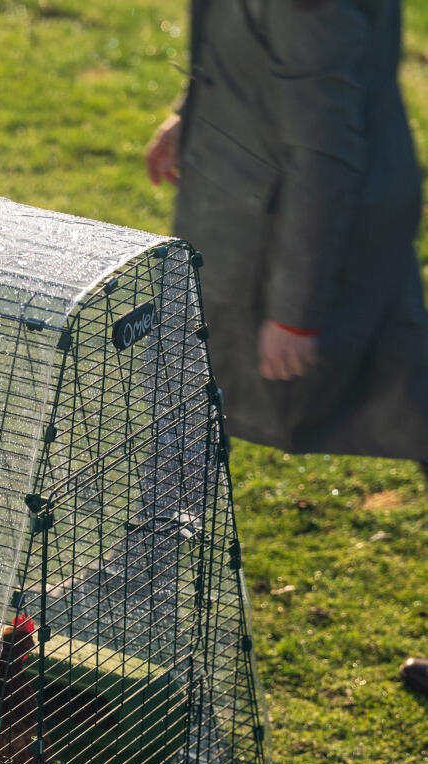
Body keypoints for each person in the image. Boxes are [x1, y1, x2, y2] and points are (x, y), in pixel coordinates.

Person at [146, 0, 428, 695]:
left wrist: (296, 313)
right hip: (256, 206)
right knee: (182, 380)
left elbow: (324, 150)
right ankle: (140, 571)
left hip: (317, 235)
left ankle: (138, 572)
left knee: (415, 409)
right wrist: (198, 107)